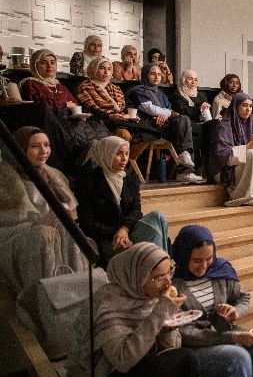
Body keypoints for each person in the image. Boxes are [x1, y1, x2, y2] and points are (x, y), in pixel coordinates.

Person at [67, 242, 201, 377]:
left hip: (144, 372)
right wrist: (159, 313)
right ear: (137, 275)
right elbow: (123, 361)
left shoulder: (149, 296)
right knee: (155, 368)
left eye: (169, 272)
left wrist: (166, 329)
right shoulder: (106, 304)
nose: (168, 283)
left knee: (185, 359)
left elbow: (172, 347)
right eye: (159, 277)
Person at [171, 225, 253, 377]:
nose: (204, 266)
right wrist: (231, 337)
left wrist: (236, 311)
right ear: (183, 255)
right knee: (238, 358)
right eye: (197, 260)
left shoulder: (220, 271)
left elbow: (243, 297)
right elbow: (185, 333)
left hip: (227, 333)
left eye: (209, 258)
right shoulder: (174, 286)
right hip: (196, 347)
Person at [0, 127, 87, 296]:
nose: (43, 151)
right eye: (35, 146)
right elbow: (5, 222)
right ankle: (45, 296)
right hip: (12, 236)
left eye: (46, 145)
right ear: (20, 148)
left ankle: (77, 290)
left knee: (68, 228)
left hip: (48, 229)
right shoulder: (4, 178)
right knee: (44, 234)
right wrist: (40, 223)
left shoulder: (52, 175)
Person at [75, 135, 170, 264]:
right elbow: (87, 223)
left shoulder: (130, 178)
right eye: (118, 154)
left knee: (158, 217)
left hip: (128, 232)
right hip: (110, 241)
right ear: (106, 153)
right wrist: (118, 234)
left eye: (126, 153)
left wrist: (124, 229)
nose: (124, 159)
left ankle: (158, 267)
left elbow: (136, 210)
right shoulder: (88, 182)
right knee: (154, 242)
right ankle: (160, 267)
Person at [129, 63, 203, 183]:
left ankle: (185, 160)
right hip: (149, 127)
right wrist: (166, 114)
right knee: (183, 124)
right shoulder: (137, 91)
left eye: (159, 74)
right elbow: (149, 109)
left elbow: (167, 111)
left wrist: (164, 115)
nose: (157, 77)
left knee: (184, 119)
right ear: (145, 75)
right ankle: (185, 169)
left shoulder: (161, 94)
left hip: (164, 125)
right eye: (153, 74)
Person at [211, 92, 253, 207]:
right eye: (244, 105)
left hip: (242, 164)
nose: (248, 109)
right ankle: (246, 195)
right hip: (224, 169)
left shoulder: (250, 123)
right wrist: (248, 147)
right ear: (236, 106)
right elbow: (221, 156)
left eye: (250, 106)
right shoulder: (223, 126)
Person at [171, 70, 212, 173]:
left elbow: (207, 111)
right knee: (198, 130)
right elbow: (184, 112)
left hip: (202, 123)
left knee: (214, 126)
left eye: (196, 80)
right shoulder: (177, 94)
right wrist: (199, 108)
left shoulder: (201, 95)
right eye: (190, 79)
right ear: (184, 80)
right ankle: (192, 169)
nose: (193, 82)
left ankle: (211, 168)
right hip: (186, 124)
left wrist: (206, 107)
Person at [77, 56, 135, 126]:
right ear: (94, 69)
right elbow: (89, 111)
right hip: (100, 124)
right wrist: (110, 116)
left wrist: (131, 116)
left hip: (121, 121)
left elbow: (127, 106)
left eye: (109, 69)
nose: (106, 72)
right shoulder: (85, 87)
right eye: (102, 68)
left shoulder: (115, 88)